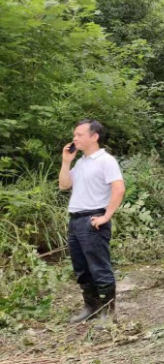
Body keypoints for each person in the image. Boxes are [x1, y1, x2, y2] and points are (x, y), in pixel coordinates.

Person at [58, 120, 125, 327]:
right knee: (82, 269)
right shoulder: (81, 162)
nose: (75, 138)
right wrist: (66, 162)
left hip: (93, 220)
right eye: (74, 135)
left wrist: (106, 216)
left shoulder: (106, 160)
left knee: (99, 268)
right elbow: (64, 185)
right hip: (75, 220)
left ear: (94, 137)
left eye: (79, 135)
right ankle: (91, 307)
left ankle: (108, 313)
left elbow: (119, 188)